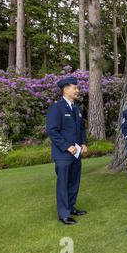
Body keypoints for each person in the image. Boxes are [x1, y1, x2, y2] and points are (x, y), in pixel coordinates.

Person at [46, 77, 87, 225]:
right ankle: (63, 214)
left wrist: (83, 143)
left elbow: (81, 128)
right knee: (63, 183)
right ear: (66, 89)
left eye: (77, 88)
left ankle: (71, 207)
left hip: (76, 153)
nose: (78, 90)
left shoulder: (76, 107)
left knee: (74, 181)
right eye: (75, 88)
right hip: (63, 154)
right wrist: (66, 146)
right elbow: (52, 131)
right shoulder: (56, 107)